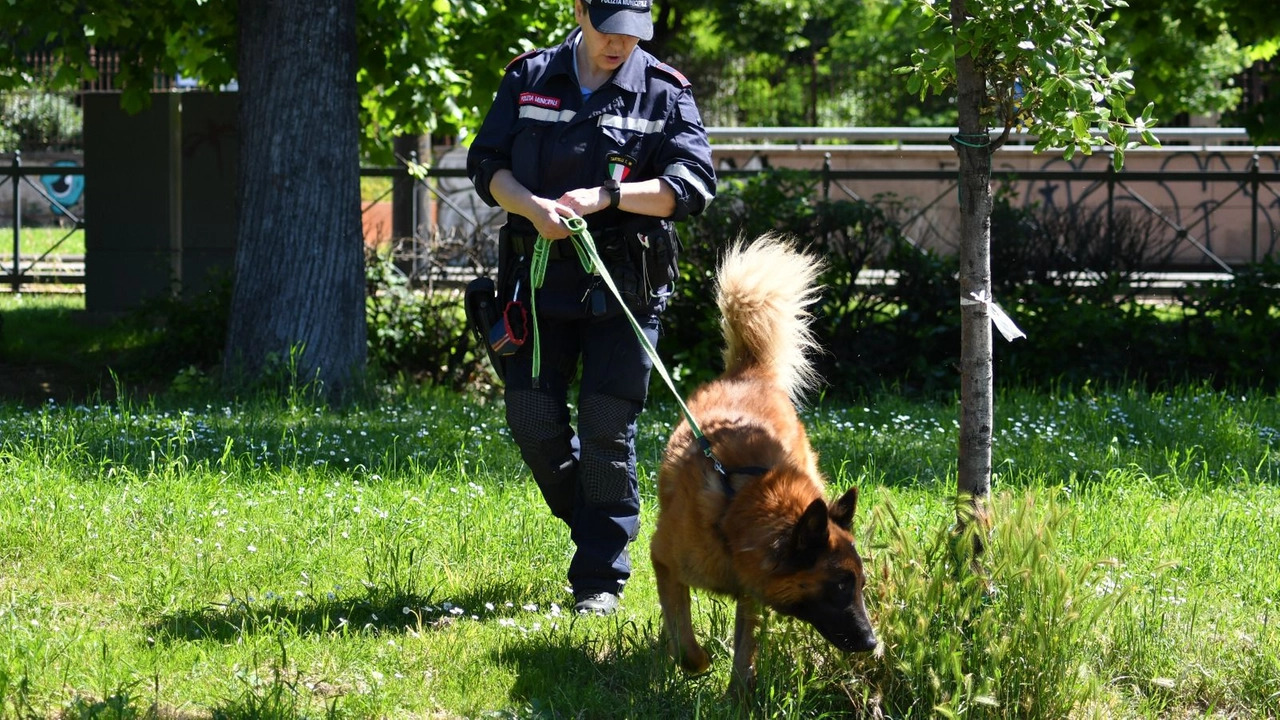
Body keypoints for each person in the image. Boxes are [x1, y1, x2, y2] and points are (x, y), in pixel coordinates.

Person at [466, 0, 716, 615]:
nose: (619, 46)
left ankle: (600, 578)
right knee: (532, 422)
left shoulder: (664, 91)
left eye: (633, 36)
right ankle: (594, 516)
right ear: (579, 11)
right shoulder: (529, 76)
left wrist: (607, 196)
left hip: (624, 288)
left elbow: (692, 188)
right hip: (535, 281)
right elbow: (487, 165)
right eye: (608, 31)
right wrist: (531, 206)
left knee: (607, 430)